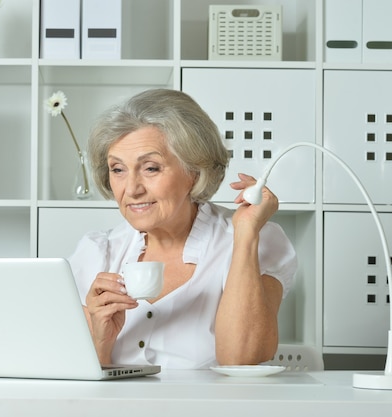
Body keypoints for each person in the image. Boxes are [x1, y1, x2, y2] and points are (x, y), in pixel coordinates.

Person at [67, 88, 297, 369]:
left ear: (194, 172)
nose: (131, 189)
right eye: (118, 169)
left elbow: (241, 360)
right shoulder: (97, 253)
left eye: (150, 168)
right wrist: (100, 342)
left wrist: (246, 235)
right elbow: (72, 380)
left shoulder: (257, 242)